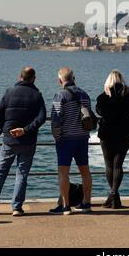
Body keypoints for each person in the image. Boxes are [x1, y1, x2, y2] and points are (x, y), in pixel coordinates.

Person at [0, 67, 46, 217]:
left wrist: (6, 130)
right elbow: (41, 118)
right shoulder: (37, 95)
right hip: (27, 141)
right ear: (34, 78)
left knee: (0, 172)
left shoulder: (9, 92)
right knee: (22, 174)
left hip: (9, 141)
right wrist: (25, 130)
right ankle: (16, 207)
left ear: (20, 77)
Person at [50, 67, 92, 215]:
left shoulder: (60, 95)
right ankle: (86, 203)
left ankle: (66, 206)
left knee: (63, 173)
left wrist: (57, 137)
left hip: (66, 140)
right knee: (85, 172)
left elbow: (56, 120)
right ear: (74, 78)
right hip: (82, 138)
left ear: (60, 80)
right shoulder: (85, 95)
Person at [96, 70, 129, 209]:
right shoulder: (127, 95)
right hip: (123, 135)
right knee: (118, 165)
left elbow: (99, 111)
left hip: (106, 135)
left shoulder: (103, 97)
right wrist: (128, 92)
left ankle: (113, 195)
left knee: (109, 166)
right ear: (122, 81)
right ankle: (114, 195)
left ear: (108, 82)